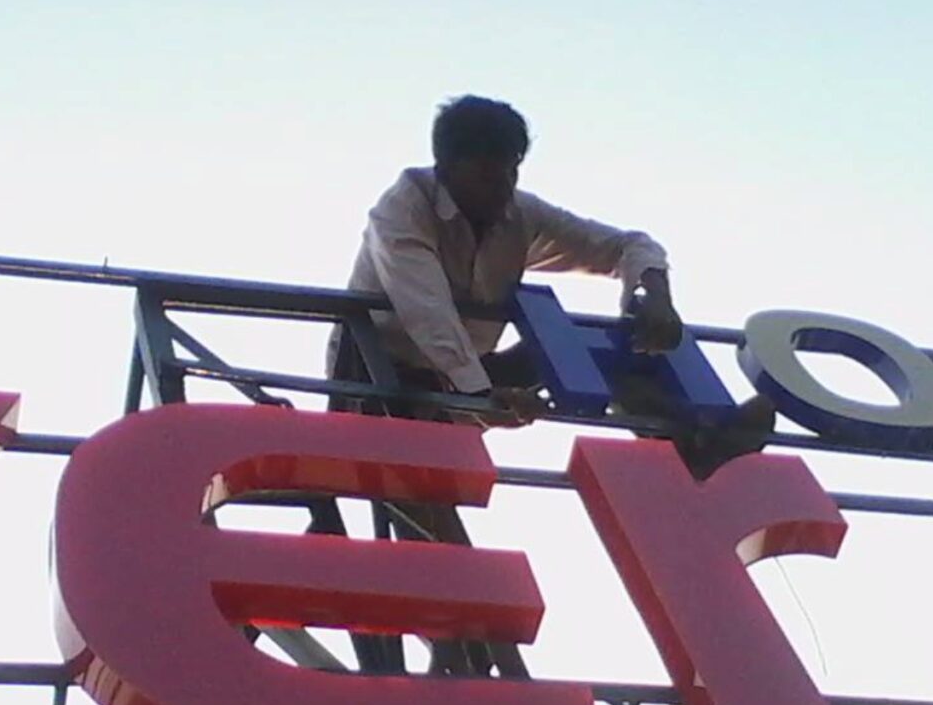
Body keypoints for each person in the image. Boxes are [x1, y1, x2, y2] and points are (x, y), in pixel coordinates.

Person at [328, 94, 776, 465]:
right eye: (488, 173)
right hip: (383, 377)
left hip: (470, 377)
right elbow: (425, 310)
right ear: (447, 168)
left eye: (512, 170)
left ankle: (691, 442)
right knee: (431, 513)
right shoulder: (403, 208)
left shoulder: (519, 215)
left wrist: (653, 294)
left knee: (597, 344)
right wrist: (481, 396)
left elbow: (626, 245)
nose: (503, 185)